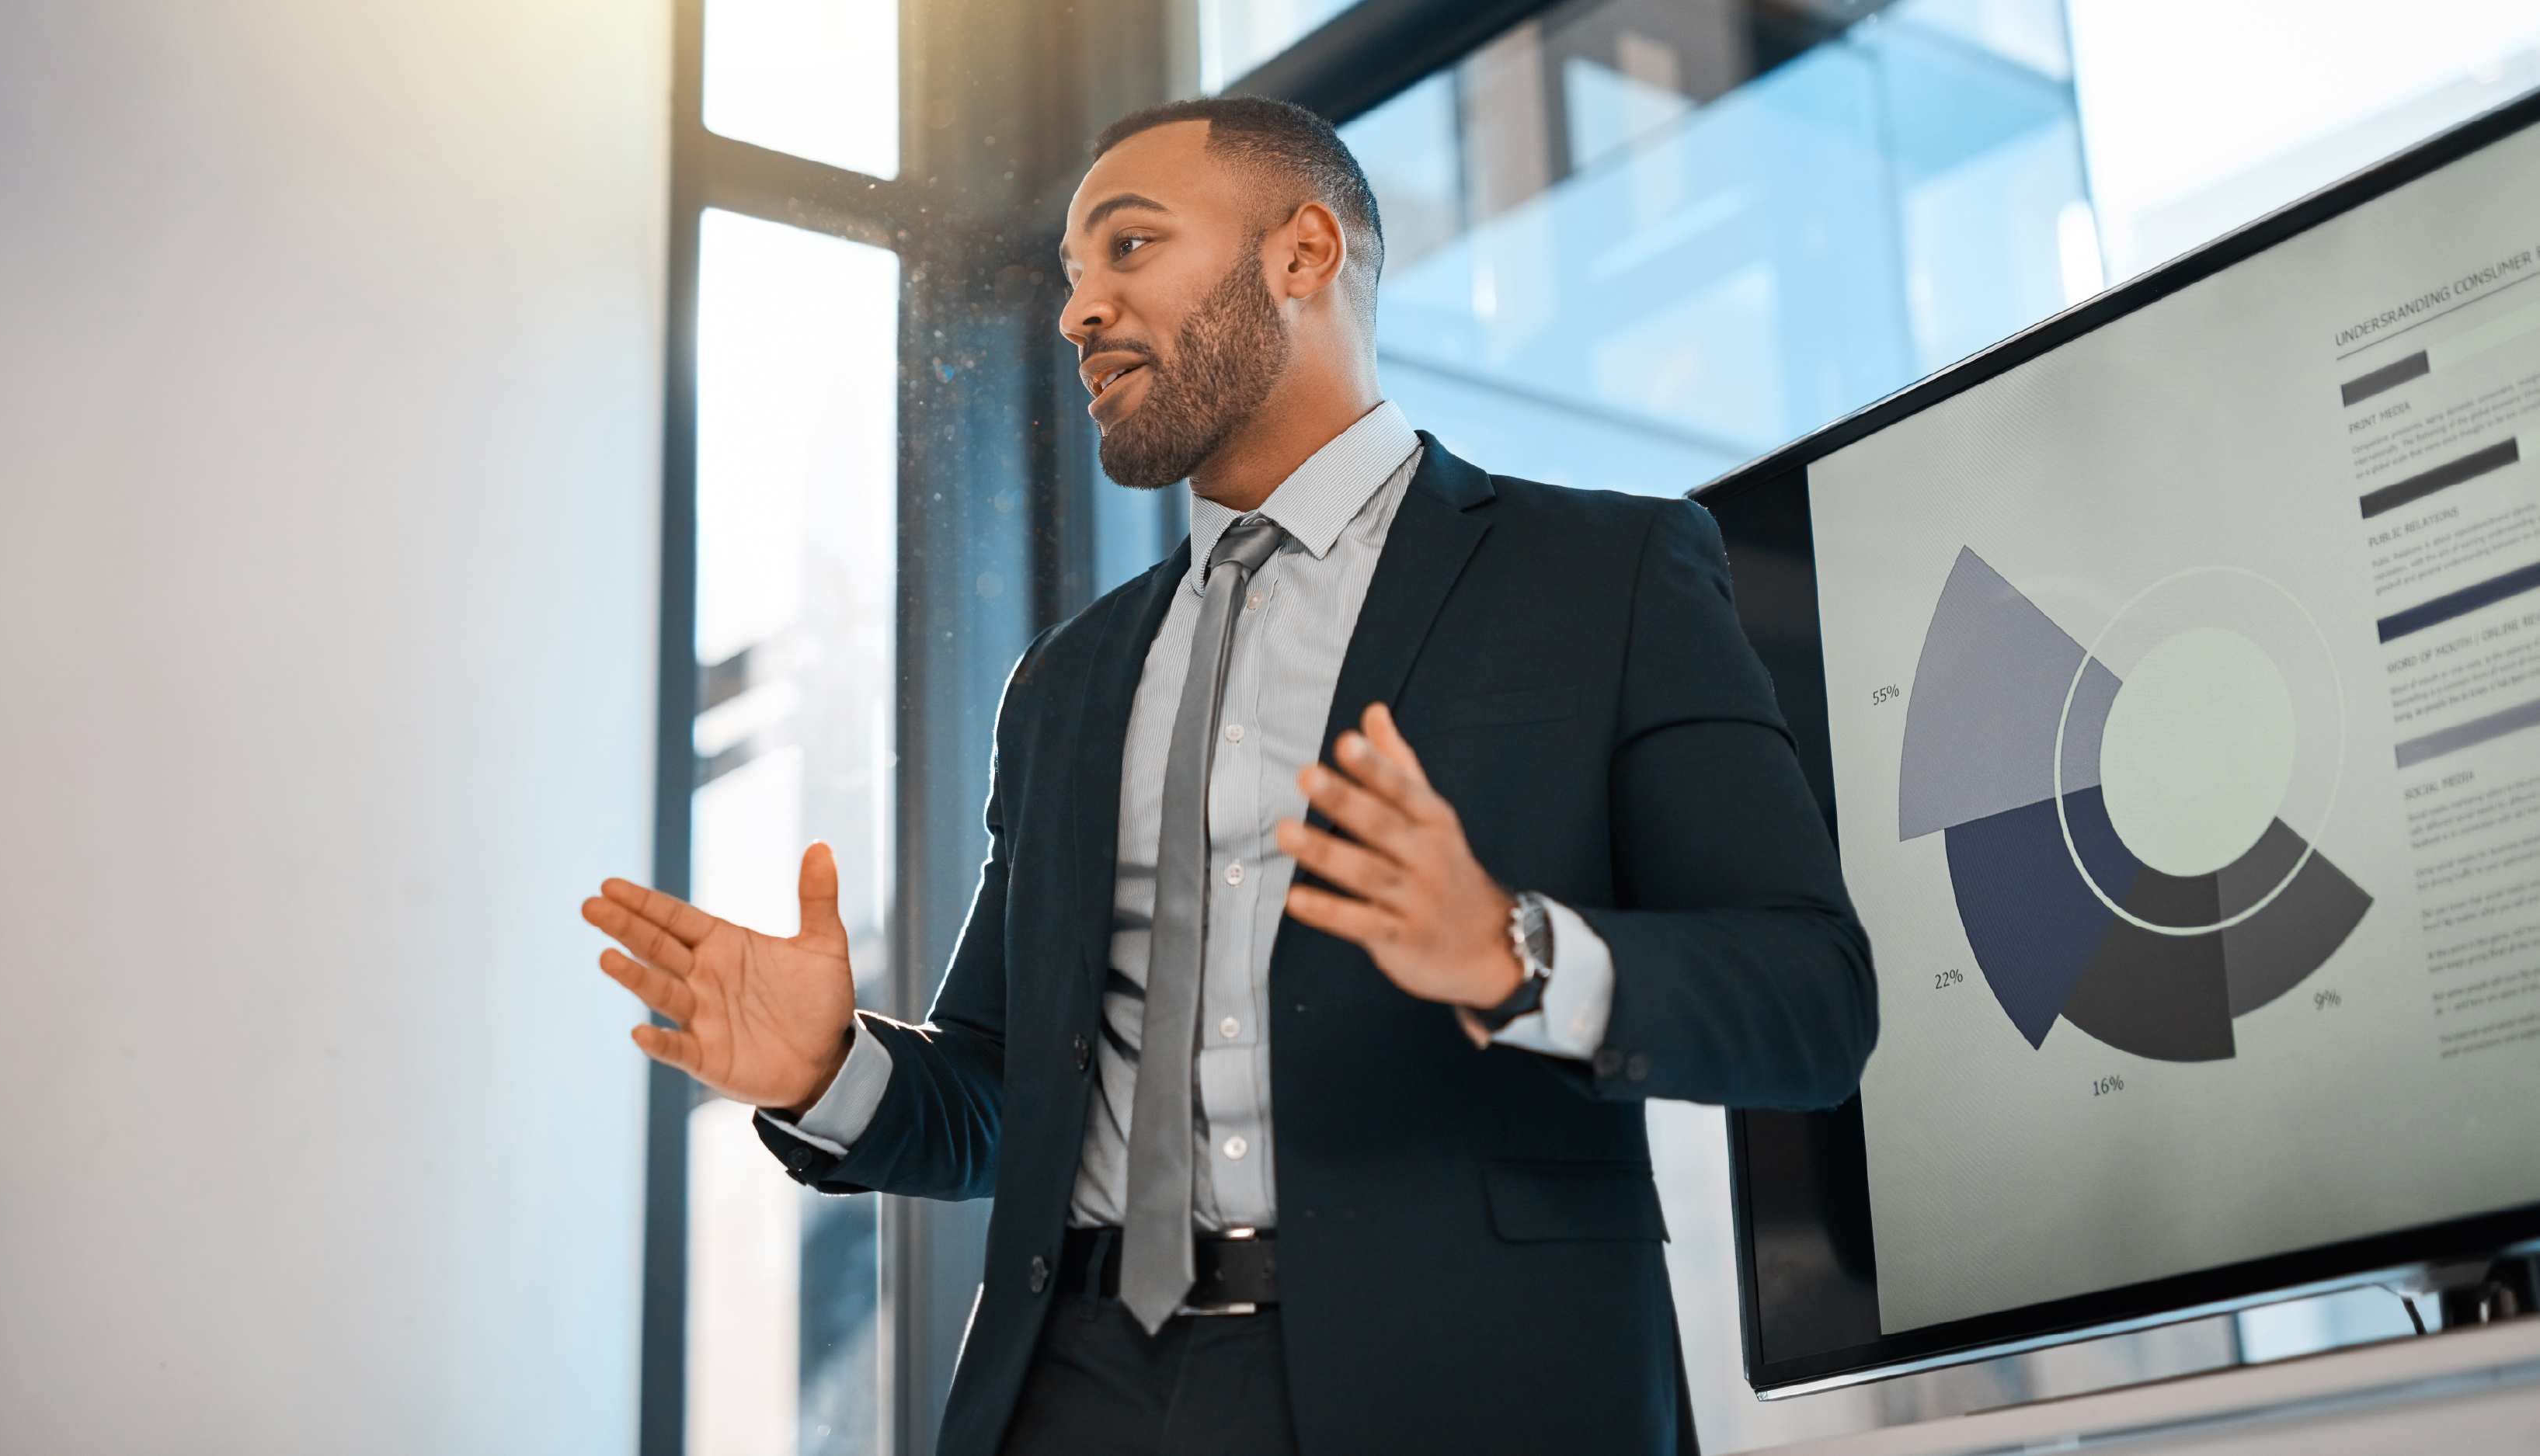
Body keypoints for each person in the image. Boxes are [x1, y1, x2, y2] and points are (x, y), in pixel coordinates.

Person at [583, 96, 1877, 1456]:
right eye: (1070, 277)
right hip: (1073, 1386)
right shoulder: (1066, 681)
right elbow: (1003, 1097)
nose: (1079, 312)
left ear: (1302, 252)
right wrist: (830, 1071)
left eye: (1127, 248)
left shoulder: (1608, 577)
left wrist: (1513, 951)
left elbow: (1809, 1005)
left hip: (1464, 1383)